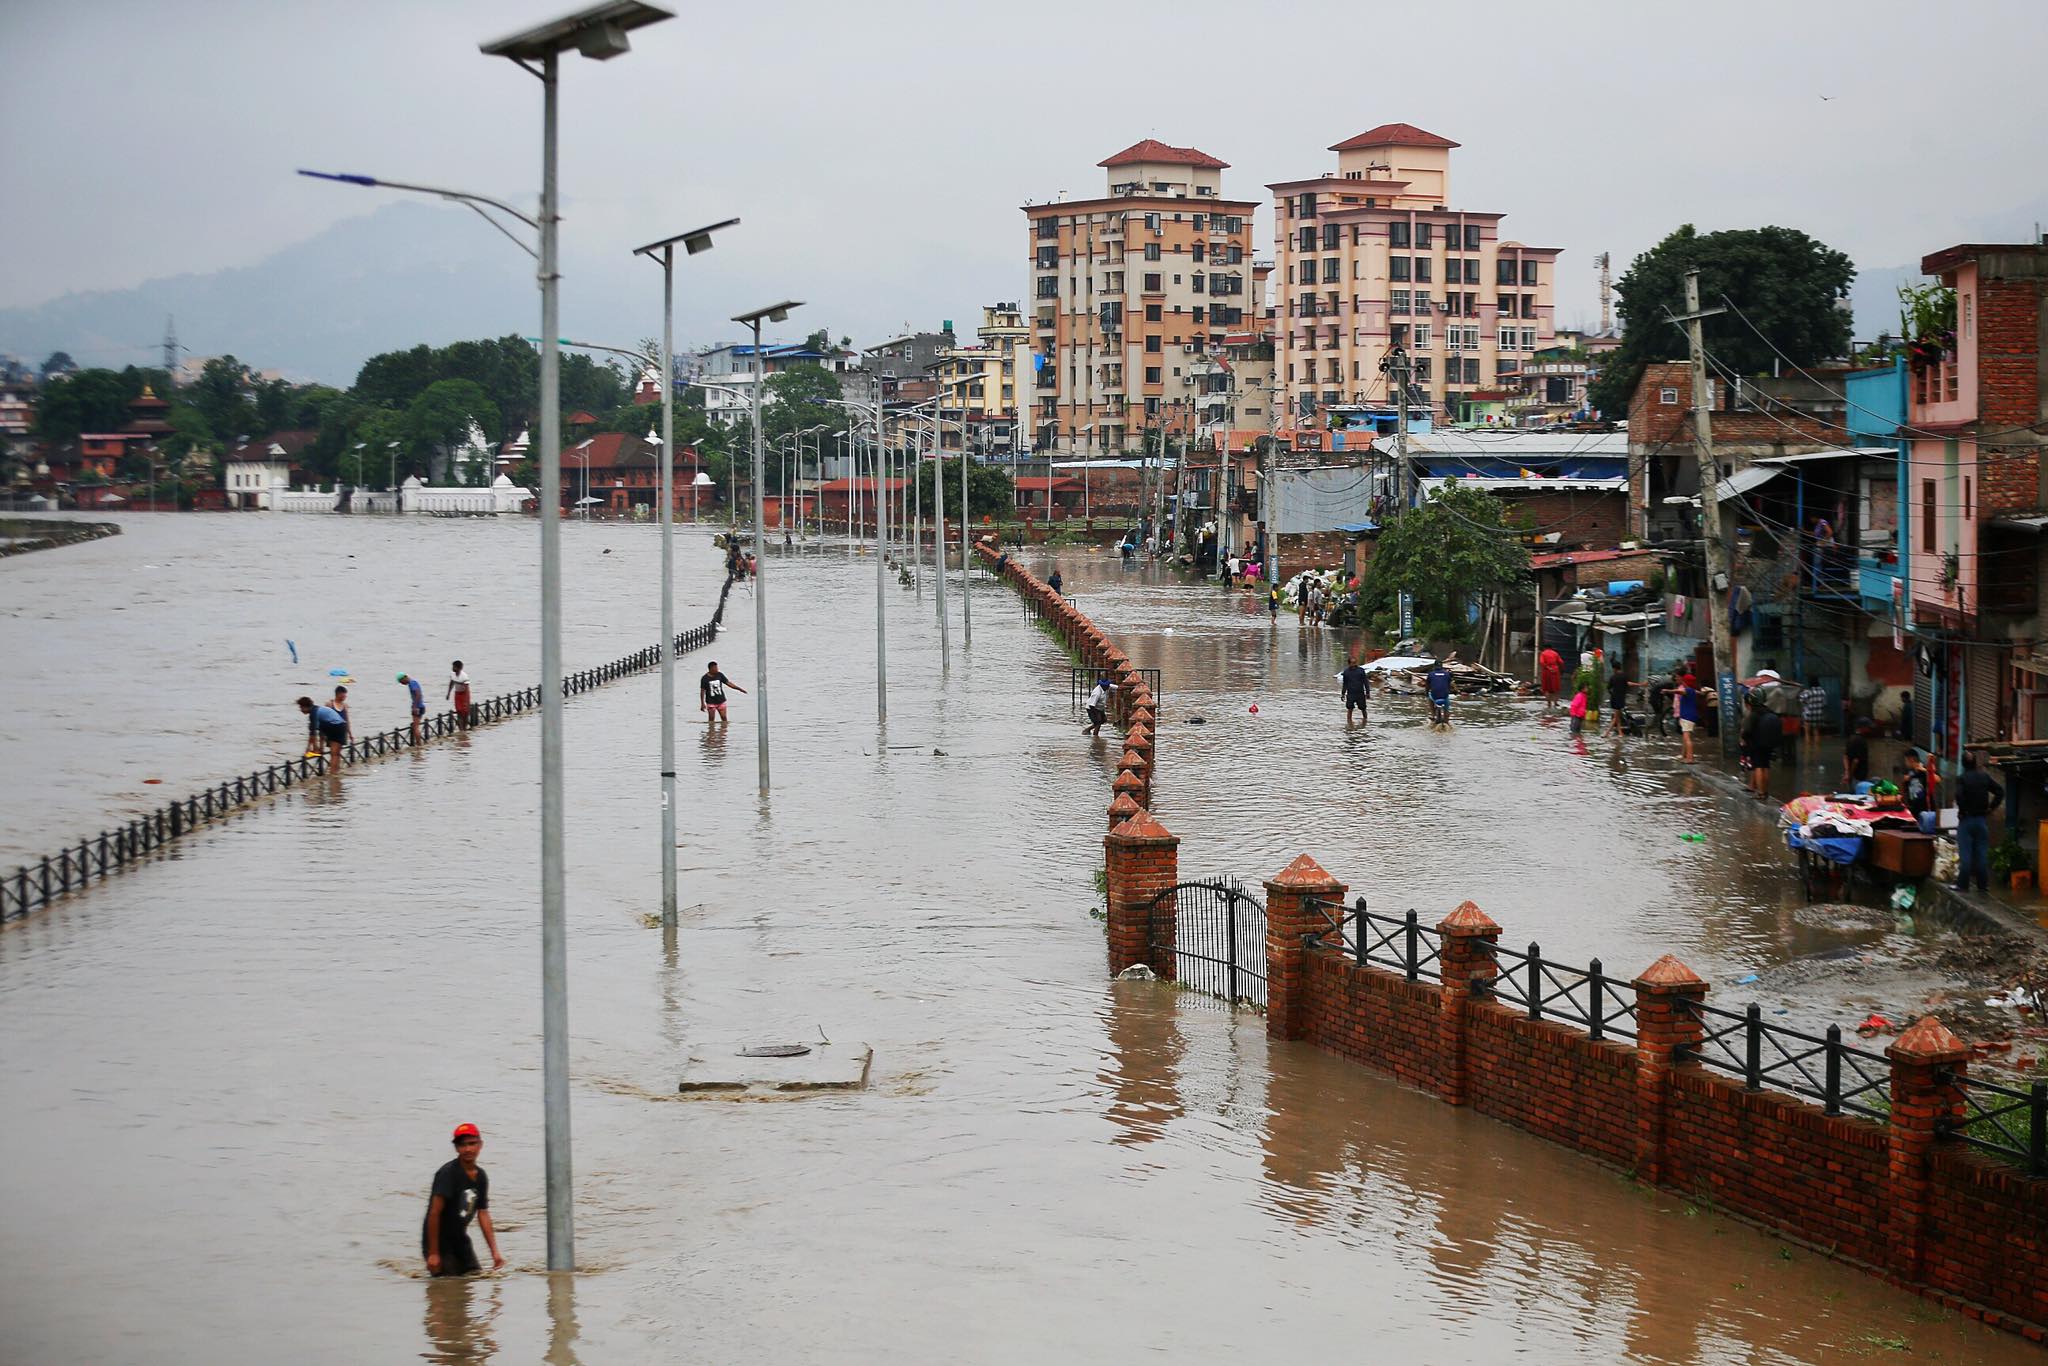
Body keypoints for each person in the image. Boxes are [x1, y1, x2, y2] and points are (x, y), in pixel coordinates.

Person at [422, 1123, 503, 1278]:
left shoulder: (481, 1177)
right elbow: (434, 1213)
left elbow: (483, 1213)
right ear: (456, 1148)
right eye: (462, 1145)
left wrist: (495, 1253)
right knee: (448, 1286)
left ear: (480, 1145)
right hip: (439, 1242)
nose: (467, 1149)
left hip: (460, 1239)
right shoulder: (447, 1174)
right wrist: (433, 1253)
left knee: (474, 1278)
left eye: (472, 1144)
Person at [1952, 751, 2005, 893]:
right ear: (1975, 762)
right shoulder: (1984, 777)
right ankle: (1983, 885)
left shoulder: (1962, 779)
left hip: (1967, 820)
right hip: (1981, 821)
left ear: (1963, 764)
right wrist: (1991, 808)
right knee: (1981, 854)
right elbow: (2000, 791)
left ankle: (1963, 885)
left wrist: (1962, 810)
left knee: (1966, 855)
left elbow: (1959, 795)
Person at [297, 696, 348, 768]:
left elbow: (312, 735)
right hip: (341, 725)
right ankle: (336, 774)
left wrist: (307, 750)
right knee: (336, 754)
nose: (301, 710)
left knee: (334, 754)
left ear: (305, 707)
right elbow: (321, 732)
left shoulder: (313, 713)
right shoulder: (317, 709)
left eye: (301, 707)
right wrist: (321, 748)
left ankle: (333, 775)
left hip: (336, 726)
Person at [699, 659, 746, 725]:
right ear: (711, 668)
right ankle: (711, 734)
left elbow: (728, 683)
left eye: (717, 667)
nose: (717, 669)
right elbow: (702, 691)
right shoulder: (704, 678)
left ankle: (723, 733)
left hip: (721, 700)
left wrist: (739, 689)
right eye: (715, 668)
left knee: (724, 719)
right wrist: (702, 703)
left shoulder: (720, 675)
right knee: (711, 720)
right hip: (710, 702)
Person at [1675, 672, 1701, 763]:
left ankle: (1690, 758)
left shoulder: (1688, 690)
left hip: (1687, 717)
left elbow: (1679, 691)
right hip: (1688, 717)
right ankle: (1684, 756)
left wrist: (1667, 691)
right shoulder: (1692, 690)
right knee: (1685, 738)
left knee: (1687, 738)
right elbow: (1700, 693)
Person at [397, 673, 427, 744]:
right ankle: (418, 743)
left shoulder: (412, 683)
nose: (402, 684)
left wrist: (415, 707)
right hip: (420, 706)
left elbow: (418, 694)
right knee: (415, 725)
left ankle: (419, 744)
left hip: (418, 707)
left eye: (401, 681)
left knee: (415, 727)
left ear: (404, 678)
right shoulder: (414, 682)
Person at [1799, 676, 1828, 748]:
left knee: (1807, 733)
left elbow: (1801, 700)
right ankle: (1817, 748)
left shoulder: (1808, 692)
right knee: (1816, 732)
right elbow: (1824, 703)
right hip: (1818, 714)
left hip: (1808, 715)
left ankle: (1808, 748)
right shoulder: (1822, 692)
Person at [1340, 658, 1371, 722]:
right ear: (1349, 664)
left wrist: (1368, 692)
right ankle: (1349, 723)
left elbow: (1366, 682)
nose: (1354, 664)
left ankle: (1365, 721)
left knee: (1363, 708)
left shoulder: (1361, 671)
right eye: (1352, 663)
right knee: (1350, 708)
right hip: (1350, 693)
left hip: (1360, 693)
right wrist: (1343, 694)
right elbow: (1345, 684)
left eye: (1355, 663)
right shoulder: (1346, 672)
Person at [1426, 661, 1454, 728]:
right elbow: (1449, 685)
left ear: (1434, 666)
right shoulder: (1447, 674)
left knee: (1430, 698)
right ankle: (1446, 719)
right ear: (1442, 666)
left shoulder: (1430, 674)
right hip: (1444, 695)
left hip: (1434, 695)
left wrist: (1426, 693)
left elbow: (1427, 686)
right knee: (1446, 708)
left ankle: (1433, 715)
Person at [446, 661, 472, 731]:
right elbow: (451, 683)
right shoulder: (452, 674)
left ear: (458, 668)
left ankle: (465, 728)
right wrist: (448, 693)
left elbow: (466, 688)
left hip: (464, 694)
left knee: (465, 712)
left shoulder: (464, 676)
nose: (452, 668)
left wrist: (466, 701)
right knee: (459, 711)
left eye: (454, 667)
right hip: (457, 694)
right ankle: (461, 730)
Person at [1608, 660, 1631, 736]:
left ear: (1614, 668)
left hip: (1614, 699)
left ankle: (1620, 732)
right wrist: (1641, 684)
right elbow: (1629, 684)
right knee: (1616, 717)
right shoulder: (1624, 676)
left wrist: (1612, 694)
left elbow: (1608, 688)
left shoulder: (1613, 677)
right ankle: (1606, 733)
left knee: (1617, 716)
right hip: (1620, 699)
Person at [1538, 646, 1563, 712]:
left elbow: (1542, 662)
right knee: (1556, 688)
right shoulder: (1555, 653)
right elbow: (1561, 662)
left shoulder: (1543, 653)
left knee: (1546, 688)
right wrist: (1560, 669)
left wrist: (1548, 667)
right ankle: (1555, 703)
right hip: (1555, 671)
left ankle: (1548, 704)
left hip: (1546, 672)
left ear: (1545, 648)